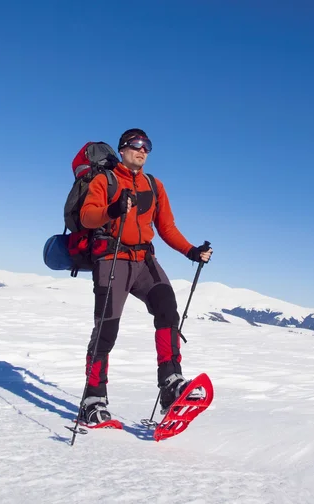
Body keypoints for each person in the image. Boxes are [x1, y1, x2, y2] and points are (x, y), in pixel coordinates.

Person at [79, 128, 213, 424]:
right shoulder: (106, 180)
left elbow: (166, 227)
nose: (143, 150)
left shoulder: (154, 185)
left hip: (144, 260)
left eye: (147, 146)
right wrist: (113, 210)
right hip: (112, 258)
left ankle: (170, 383)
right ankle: (93, 397)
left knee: (167, 309)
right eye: (136, 145)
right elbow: (86, 216)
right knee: (106, 328)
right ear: (123, 148)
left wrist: (191, 251)